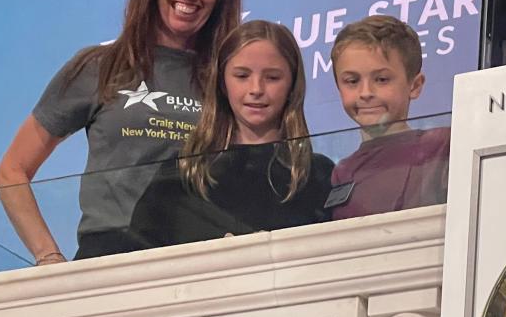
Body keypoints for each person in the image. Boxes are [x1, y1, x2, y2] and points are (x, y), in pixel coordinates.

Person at [0, 0, 243, 263]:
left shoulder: (231, 80)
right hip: (109, 256)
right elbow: (12, 170)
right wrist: (48, 256)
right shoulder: (100, 66)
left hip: (198, 261)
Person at [129, 20, 333, 244]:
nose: (256, 89)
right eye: (242, 76)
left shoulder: (317, 175)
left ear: (293, 84)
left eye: (272, 77)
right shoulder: (182, 173)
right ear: (223, 83)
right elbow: (140, 256)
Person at [328, 15, 450, 220]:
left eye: (382, 79)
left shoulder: (441, 146)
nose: (365, 92)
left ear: (415, 85)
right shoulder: (342, 171)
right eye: (352, 81)